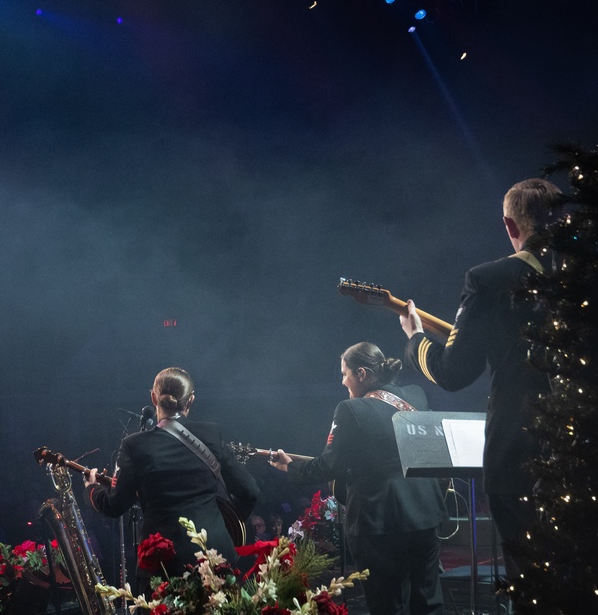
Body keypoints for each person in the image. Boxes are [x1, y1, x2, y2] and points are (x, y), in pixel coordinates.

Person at [400, 177, 562, 584]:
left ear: (510, 225)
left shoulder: (489, 280)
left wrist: (415, 338)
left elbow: (453, 373)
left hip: (521, 454)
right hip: (584, 456)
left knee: (535, 585)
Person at [270, 342, 446, 615]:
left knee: (388, 605)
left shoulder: (351, 410)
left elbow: (329, 466)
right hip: (425, 514)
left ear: (361, 374)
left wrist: (289, 468)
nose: (343, 382)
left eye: (345, 374)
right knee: (429, 603)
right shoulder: (416, 395)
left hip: (379, 522)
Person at [84, 367, 258, 592]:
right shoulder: (211, 435)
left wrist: (92, 489)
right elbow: (250, 491)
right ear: (191, 400)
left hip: (165, 564)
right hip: (215, 557)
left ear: (153, 397)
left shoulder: (134, 445)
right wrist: (224, 524)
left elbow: (114, 505)